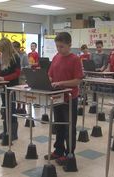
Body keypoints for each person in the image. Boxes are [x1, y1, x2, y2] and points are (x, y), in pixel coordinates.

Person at [45, 32, 83, 166]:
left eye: (62, 46)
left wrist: (61, 83)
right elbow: (50, 75)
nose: (59, 49)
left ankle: (69, 153)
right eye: (57, 46)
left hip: (70, 98)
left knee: (69, 127)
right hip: (57, 97)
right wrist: (46, 81)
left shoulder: (75, 59)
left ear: (69, 45)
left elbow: (77, 81)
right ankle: (59, 150)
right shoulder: (56, 57)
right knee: (59, 125)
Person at [0, 37, 21, 141]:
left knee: (11, 109)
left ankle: (13, 133)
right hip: (4, 86)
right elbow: (2, 71)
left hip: (12, 86)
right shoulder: (1, 56)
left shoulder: (15, 57)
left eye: (2, 48)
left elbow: (17, 73)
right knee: (5, 108)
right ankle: (6, 131)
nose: (0, 50)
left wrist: (4, 78)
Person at [12, 41, 28, 114]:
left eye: (14, 47)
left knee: (22, 92)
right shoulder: (13, 55)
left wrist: (21, 69)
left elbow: (27, 66)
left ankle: (24, 107)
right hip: (15, 76)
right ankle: (18, 107)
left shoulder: (24, 55)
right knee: (17, 92)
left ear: (18, 48)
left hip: (22, 76)